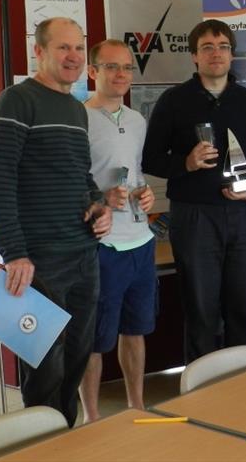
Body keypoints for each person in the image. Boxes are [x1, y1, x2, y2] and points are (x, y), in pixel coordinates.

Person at [0, 17, 111, 427]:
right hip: (38, 262)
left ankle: (66, 441)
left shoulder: (76, 109)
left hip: (83, 255)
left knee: (75, 360)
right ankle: (40, 448)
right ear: (38, 51)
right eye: (63, 48)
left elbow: (80, 175)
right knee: (44, 371)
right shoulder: (16, 101)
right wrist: (15, 253)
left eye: (78, 48)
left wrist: (98, 205)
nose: (73, 56)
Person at [142, 19, 246, 363]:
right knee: (201, 309)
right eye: (207, 48)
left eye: (223, 46)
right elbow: (150, 159)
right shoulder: (173, 101)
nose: (217, 54)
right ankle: (203, 393)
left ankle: (244, 382)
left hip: (244, 215)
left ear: (232, 55)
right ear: (194, 57)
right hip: (194, 216)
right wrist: (186, 163)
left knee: (244, 306)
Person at [78, 40, 156, 423]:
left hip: (140, 241)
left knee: (136, 330)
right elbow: (68, 183)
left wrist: (145, 194)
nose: (121, 75)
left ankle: (136, 405)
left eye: (127, 67)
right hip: (101, 245)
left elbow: (135, 171)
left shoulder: (137, 119)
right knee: (95, 339)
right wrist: (98, 198)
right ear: (93, 71)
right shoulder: (78, 118)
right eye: (111, 67)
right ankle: (92, 417)